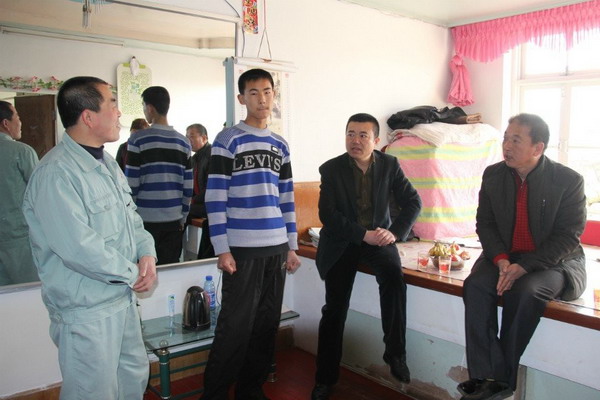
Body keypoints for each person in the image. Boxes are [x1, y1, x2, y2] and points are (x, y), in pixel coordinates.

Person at [22, 76, 157, 399]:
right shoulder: (56, 173)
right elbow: (79, 248)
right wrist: (133, 273)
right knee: (92, 392)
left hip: (122, 300)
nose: (119, 112)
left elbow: (132, 219)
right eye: (112, 103)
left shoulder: (106, 164)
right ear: (88, 116)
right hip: (87, 312)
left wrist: (147, 255)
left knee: (132, 380)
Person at [458, 113, 587, 400]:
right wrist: (502, 259)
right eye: (505, 138)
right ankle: (485, 377)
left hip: (555, 262)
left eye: (516, 140)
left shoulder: (568, 181)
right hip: (504, 256)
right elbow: (485, 224)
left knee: (526, 292)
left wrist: (525, 266)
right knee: (475, 285)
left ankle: (499, 381)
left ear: (537, 147)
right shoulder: (493, 175)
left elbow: (568, 237)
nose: (507, 146)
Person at [201, 68, 301, 400]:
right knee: (234, 328)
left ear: (274, 95)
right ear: (242, 98)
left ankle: (250, 390)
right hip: (242, 250)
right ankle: (214, 394)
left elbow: (286, 198)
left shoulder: (280, 144)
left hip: (276, 247)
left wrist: (291, 246)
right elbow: (215, 196)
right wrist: (222, 248)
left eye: (267, 91)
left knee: (265, 326)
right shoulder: (228, 139)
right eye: (254, 92)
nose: (262, 99)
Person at [311, 113, 422, 400]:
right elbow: (328, 215)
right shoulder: (331, 169)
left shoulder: (390, 165)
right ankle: (325, 379)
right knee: (334, 309)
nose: (355, 140)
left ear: (376, 140)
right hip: (342, 241)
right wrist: (363, 235)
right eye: (350, 134)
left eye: (363, 135)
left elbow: (413, 201)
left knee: (394, 278)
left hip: (378, 239)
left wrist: (394, 233)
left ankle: (395, 353)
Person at [125, 86, 193, 265]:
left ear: (150, 108)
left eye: (143, 106)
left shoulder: (137, 140)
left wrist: (130, 216)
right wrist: (183, 216)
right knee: (169, 269)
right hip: (174, 220)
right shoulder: (184, 143)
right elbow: (188, 187)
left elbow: (131, 185)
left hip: (144, 221)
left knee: (144, 270)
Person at [0, 100, 39, 285]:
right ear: (5, 123)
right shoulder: (21, 152)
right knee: (29, 291)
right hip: (19, 238)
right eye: (18, 117)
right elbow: (40, 194)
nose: (21, 122)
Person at [186, 123, 214, 259]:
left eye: (192, 136)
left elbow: (211, 187)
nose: (188, 141)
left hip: (208, 203)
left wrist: (192, 200)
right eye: (187, 137)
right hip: (198, 203)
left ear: (204, 138)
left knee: (184, 210)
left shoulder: (212, 155)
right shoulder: (193, 158)